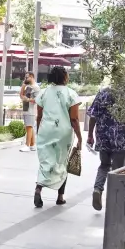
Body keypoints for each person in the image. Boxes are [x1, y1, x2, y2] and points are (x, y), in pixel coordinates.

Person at [86, 84, 125, 212]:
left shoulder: (102, 93)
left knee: (104, 165)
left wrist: (90, 135)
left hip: (103, 136)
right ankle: (115, 201)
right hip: (120, 138)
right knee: (118, 170)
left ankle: (97, 189)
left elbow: (93, 116)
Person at [33, 66, 82, 208]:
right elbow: (74, 119)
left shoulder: (43, 93)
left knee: (45, 161)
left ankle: (38, 189)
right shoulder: (71, 94)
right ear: (64, 77)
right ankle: (60, 196)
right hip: (63, 133)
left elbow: (39, 116)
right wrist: (79, 137)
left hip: (46, 131)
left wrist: (39, 131)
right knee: (62, 162)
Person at [18, 73, 38, 152]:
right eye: (25, 77)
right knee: (29, 126)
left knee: (29, 127)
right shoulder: (28, 87)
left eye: (27, 77)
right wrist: (23, 87)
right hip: (26, 109)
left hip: (31, 110)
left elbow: (38, 100)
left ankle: (27, 145)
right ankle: (32, 145)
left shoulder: (36, 87)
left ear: (31, 77)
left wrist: (29, 100)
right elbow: (21, 96)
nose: (25, 79)